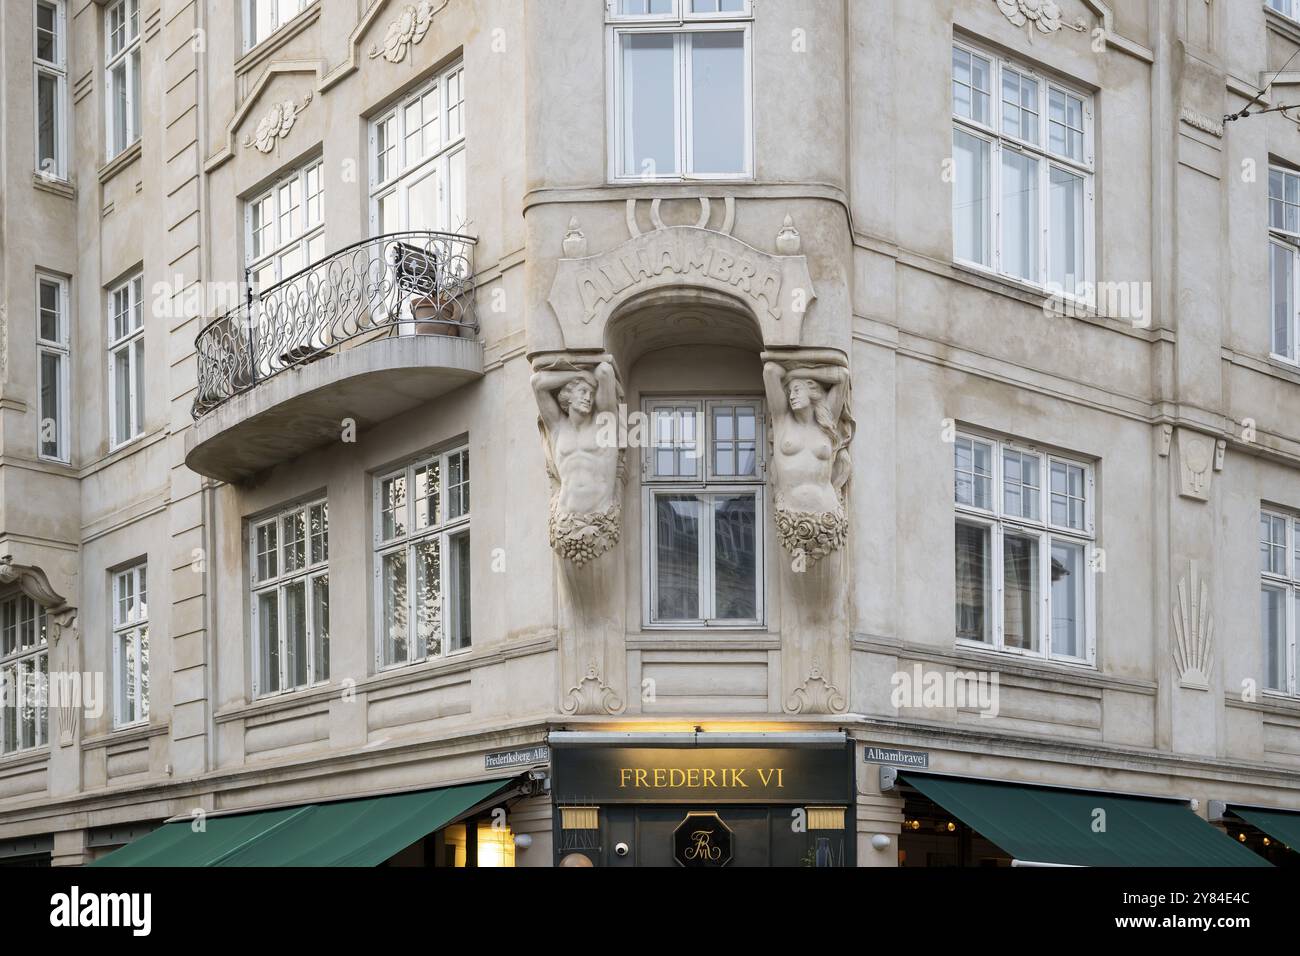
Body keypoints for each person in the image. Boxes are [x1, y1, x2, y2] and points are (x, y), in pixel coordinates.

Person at [762, 360, 855, 568]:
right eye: (790, 391)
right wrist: (795, 376)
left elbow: (842, 376)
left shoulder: (827, 420)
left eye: (797, 390)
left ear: (813, 392)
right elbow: (770, 370)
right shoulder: (782, 419)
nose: (791, 395)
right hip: (791, 518)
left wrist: (801, 372)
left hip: (828, 516)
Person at [532, 361, 622, 565]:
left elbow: (605, 371)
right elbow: (537, 382)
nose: (588, 397)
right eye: (582, 391)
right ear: (567, 396)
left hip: (601, 522)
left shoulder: (604, 423)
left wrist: (587, 378)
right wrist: (579, 373)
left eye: (591, 393)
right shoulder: (557, 426)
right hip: (565, 523)